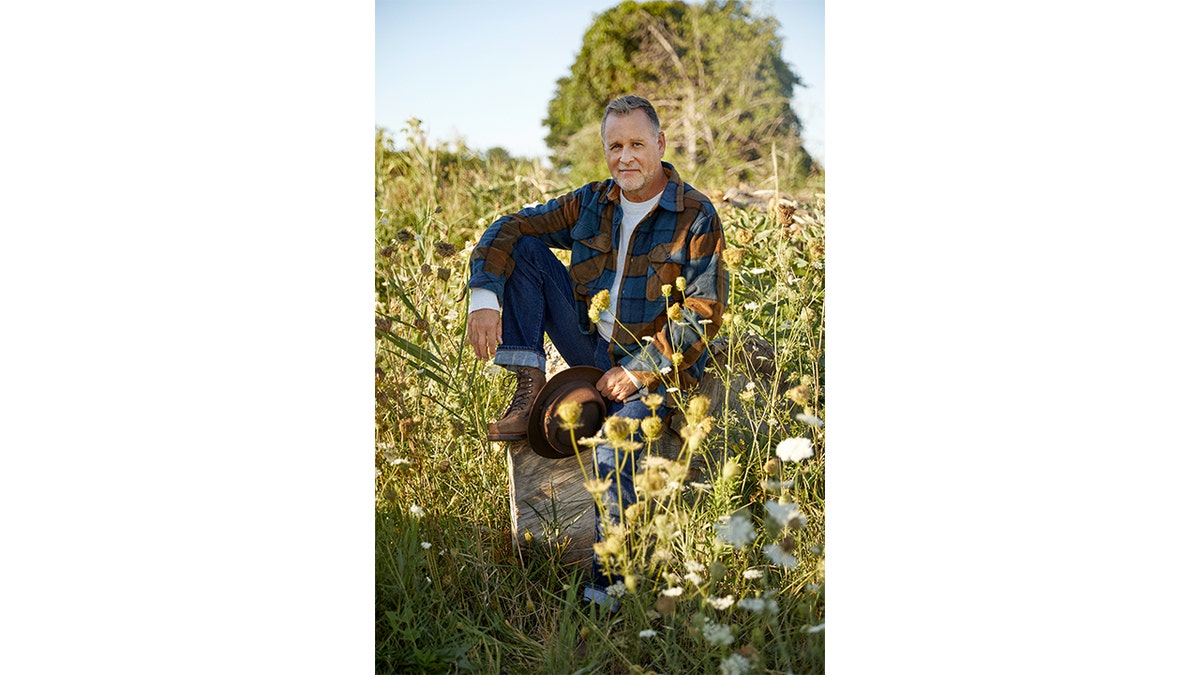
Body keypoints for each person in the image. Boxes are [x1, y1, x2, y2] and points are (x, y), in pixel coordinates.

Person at [465, 94, 727, 596]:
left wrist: (640, 369)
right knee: (523, 247)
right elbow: (510, 226)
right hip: (588, 348)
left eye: (636, 144)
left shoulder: (695, 215)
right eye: (615, 146)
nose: (625, 157)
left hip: (655, 369)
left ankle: (608, 587)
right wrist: (484, 297)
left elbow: (703, 310)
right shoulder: (591, 201)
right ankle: (529, 378)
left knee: (614, 447)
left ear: (660, 144)